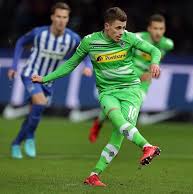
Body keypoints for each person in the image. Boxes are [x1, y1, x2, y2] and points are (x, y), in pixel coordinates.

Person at [32, 7, 161, 187]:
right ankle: (147, 146)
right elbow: (70, 64)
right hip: (107, 92)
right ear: (107, 26)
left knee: (119, 134)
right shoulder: (90, 42)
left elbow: (154, 50)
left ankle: (94, 175)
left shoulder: (129, 38)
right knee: (118, 120)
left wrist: (154, 63)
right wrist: (45, 78)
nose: (121, 32)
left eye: (124, 27)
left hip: (131, 91)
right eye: (117, 28)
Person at [8, 2, 92, 159]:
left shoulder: (72, 38)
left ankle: (16, 142)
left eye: (64, 17)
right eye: (58, 16)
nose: (61, 20)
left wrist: (87, 65)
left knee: (34, 112)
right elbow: (20, 42)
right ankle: (31, 137)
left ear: (68, 19)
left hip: (48, 80)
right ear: (52, 17)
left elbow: (85, 51)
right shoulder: (39, 33)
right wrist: (13, 66)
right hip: (30, 73)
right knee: (39, 103)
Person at [88, 14, 174, 143]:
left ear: (165, 30)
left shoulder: (167, 44)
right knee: (112, 107)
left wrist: (152, 72)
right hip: (127, 77)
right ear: (149, 29)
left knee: (132, 109)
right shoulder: (137, 37)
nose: (158, 32)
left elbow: (158, 59)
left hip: (143, 83)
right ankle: (98, 123)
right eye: (155, 28)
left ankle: (115, 142)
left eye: (161, 29)